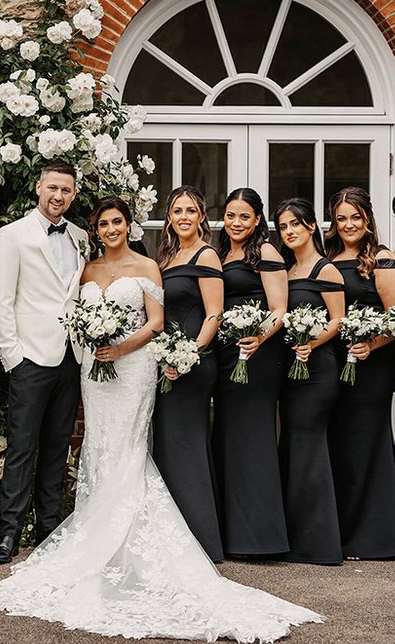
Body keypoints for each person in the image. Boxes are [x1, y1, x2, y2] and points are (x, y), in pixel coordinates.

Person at [0, 196, 324, 642]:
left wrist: (120, 348)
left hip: (133, 367)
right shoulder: (86, 271)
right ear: (96, 229)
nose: (110, 229)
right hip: (95, 371)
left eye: (118, 222)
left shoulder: (149, 267)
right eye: (103, 223)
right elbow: (74, 318)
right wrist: (94, 345)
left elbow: (157, 322)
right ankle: (96, 527)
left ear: (130, 226)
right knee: (99, 445)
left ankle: (124, 539)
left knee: (128, 446)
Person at [0, 161, 88, 565]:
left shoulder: (81, 237)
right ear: (38, 188)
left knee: (57, 447)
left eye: (65, 190)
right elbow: (1, 300)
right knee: (22, 448)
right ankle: (8, 533)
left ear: (73, 194)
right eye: (52, 188)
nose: (58, 196)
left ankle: (48, 531)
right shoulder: (12, 235)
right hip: (30, 357)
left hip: (71, 356)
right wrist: (13, 357)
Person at [213, 188, 289, 558]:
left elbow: (279, 309)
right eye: (230, 216)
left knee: (255, 440)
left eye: (244, 216)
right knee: (228, 437)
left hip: (256, 356)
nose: (236, 223)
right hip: (226, 356)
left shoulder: (267, 253)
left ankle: (261, 537)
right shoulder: (221, 254)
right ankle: (232, 534)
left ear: (258, 220)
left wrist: (258, 337)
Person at [152, 185, 224, 562]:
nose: (182, 217)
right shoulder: (167, 256)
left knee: (186, 446)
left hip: (193, 364)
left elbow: (213, 313)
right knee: (168, 444)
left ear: (201, 217)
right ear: (170, 218)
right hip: (166, 363)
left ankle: (200, 542)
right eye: (176, 211)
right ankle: (172, 537)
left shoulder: (207, 255)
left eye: (190, 211)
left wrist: (188, 354)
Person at [326, 187, 395, 559]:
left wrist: (372, 344)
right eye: (341, 218)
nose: (349, 224)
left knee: (367, 444)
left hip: (373, 365)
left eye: (355, 217)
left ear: (367, 219)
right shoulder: (329, 258)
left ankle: (376, 538)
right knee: (341, 445)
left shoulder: (382, 259)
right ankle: (344, 531)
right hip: (336, 363)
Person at [275, 197, 344, 565]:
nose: (289, 231)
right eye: (284, 226)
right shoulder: (284, 271)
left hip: (318, 371)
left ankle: (319, 544)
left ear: (311, 227)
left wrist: (310, 342)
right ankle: (295, 535)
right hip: (290, 370)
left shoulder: (326, 270)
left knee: (309, 446)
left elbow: (338, 321)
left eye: (296, 225)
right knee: (292, 444)